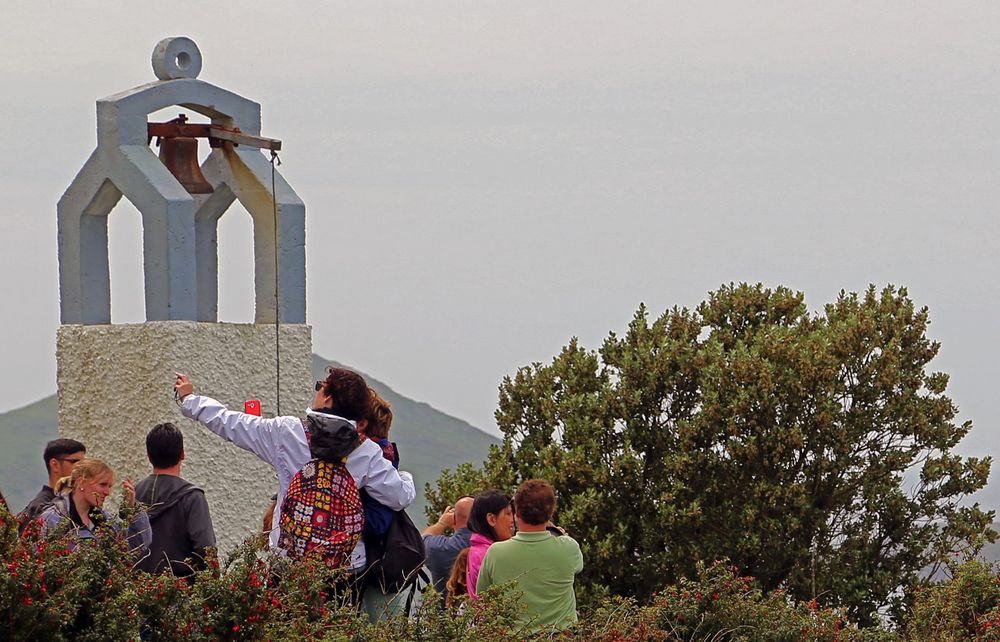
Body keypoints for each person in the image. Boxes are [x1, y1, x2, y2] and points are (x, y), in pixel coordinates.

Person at [173, 368, 415, 586]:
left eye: (320, 386)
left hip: (290, 563)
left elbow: (230, 423)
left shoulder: (287, 432)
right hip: (344, 567)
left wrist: (190, 400)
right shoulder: (367, 451)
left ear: (327, 397)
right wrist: (404, 476)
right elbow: (399, 497)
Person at [476, 479, 584, 633]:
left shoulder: (495, 553)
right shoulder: (568, 547)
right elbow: (577, 566)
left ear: (516, 511)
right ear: (551, 512)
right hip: (562, 635)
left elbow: (482, 596)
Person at [135, 422, 216, 578]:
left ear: (148, 455)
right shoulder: (192, 497)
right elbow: (205, 548)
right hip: (181, 590)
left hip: (137, 590)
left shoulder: (133, 495)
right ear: (182, 454)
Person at [38, 457, 151, 553]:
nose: (107, 492)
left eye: (109, 486)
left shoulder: (107, 522)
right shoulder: (53, 519)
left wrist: (132, 508)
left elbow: (137, 547)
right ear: (81, 482)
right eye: (102, 485)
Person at [18, 438, 87, 529]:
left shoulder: (79, 504)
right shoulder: (41, 507)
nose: (84, 469)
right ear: (54, 465)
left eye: (85, 464)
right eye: (77, 462)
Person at [422, 495, 474, 607]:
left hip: (447, 620)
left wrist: (441, 523)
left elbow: (422, 539)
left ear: (453, 519)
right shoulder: (491, 545)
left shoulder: (439, 548)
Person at [465, 489, 513, 600]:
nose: (512, 520)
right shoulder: (487, 553)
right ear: (491, 519)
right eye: (508, 514)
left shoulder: (479, 550)